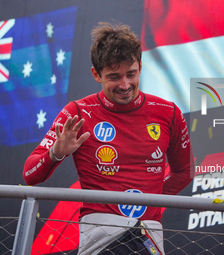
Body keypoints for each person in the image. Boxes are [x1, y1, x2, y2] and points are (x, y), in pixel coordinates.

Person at [23, 22, 194, 255]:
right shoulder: (77, 112)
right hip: (99, 232)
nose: (125, 85)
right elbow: (30, 175)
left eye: (131, 74)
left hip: (149, 232)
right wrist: (56, 153)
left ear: (140, 67)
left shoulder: (168, 112)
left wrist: (149, 204)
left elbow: (184, 172)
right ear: (96, 74)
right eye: (114, 77)